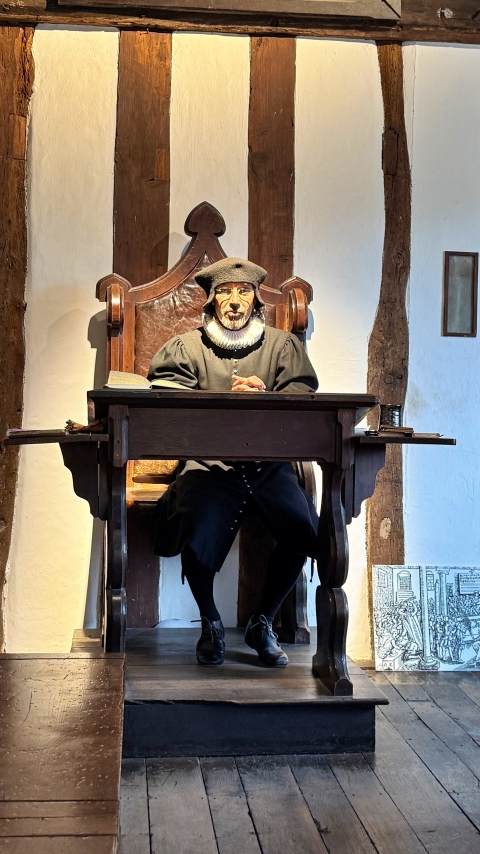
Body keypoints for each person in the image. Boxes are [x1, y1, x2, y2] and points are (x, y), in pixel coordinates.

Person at [148, 257, 319, 669]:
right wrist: (221, 398)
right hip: (208, 464)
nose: (235, 302)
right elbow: (166, 398)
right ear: (211, 300)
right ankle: (210, 621)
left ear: (256, 300)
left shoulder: (283, 346)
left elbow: (302, 398)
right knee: (197, 516)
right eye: (225, 292)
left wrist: (267, 397)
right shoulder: (186, 347)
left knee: (302, 526)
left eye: (244, 292)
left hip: (268, 464)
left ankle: (262, 622)